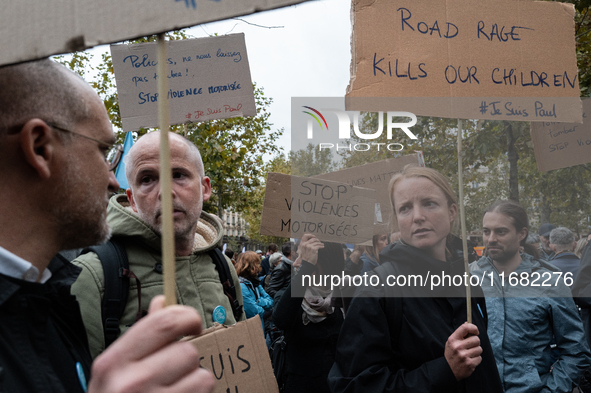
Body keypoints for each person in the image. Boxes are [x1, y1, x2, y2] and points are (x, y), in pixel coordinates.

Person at [0, 58, 214, 393]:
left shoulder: (49, 296)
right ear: (40, 148)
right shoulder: (88, 278)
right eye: (103, 151)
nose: (113, 182)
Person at [71, 130, 245, 359]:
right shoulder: (93, 275)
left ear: (205, 188)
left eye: (179, 175)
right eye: (147, 179)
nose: (165, 191)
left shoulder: (221, 265)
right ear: (132, 200)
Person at [329, 165, 502, 392]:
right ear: (397, 219)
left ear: (452, 211)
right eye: (405, 208)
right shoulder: (377, 290)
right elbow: (352, 386)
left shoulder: (467, 283)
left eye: (429, 203)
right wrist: (444, 370)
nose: (418, 217)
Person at [470, 201, 590, 393]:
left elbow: (576, 351)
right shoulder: (468, 280)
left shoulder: (550, 281)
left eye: (500, 232)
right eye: (486, 231)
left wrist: (551, 390)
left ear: (521, 234)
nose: (491, 239)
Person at [274, 235, 345, 393]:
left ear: (326, 263)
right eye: (298, 256)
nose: (297, 263)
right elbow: (280, 319)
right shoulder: (291, 296)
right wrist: (307, 267)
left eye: (304, 258)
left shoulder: (343, 297)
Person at [235, 251, 273, 334]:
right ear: (251, 266)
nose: (259, 266)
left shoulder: (255, 282)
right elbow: (254, 312)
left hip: (259, 330)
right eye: (257, 263)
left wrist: (258, 302)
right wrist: (263, 306)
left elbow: (270, 301)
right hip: (250, 332)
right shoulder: (242, 286)